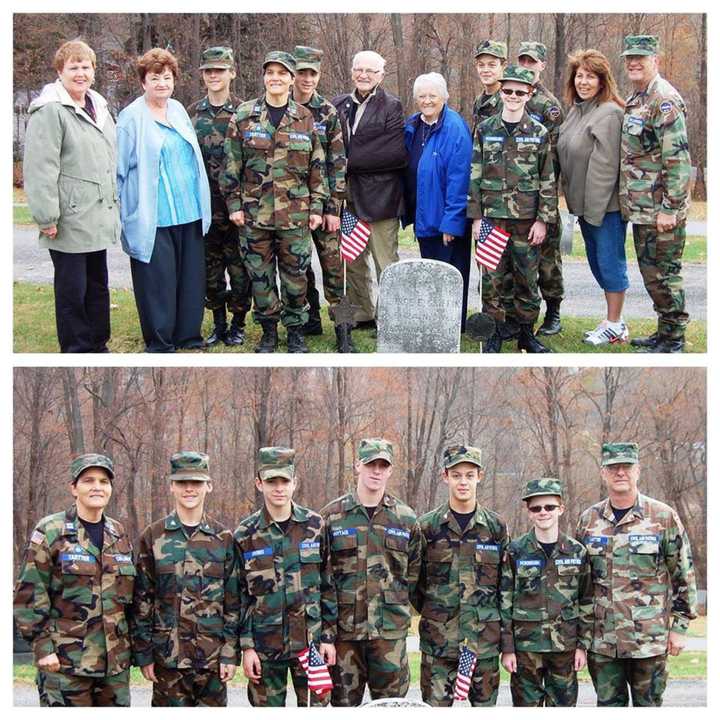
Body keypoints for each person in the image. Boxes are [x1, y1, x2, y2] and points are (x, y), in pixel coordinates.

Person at [221, 51, 328, 353]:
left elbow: (317, 169)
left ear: (292, 79)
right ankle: (269, 332)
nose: (276, 78)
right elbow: (230, 165)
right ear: (264, 77)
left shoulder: (305, 118)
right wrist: (234, 206)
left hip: (295, 216)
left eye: (283, 73)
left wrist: (317, 208)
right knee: (261, 278)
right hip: (254, 217)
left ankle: (296, 332)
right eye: (271, 73)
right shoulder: (244, 115)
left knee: (296, 278)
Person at [576, 442, 697, 706]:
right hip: (604, 642)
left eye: (627, 467)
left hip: (649, 641)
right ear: (603, 473)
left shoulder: (662, 517)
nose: (620, 473)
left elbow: (683, 575)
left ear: (638, 471)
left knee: (649, 707)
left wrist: (680, 627)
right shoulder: (588, 520)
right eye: (613, 467)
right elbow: (580, 584)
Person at [14, 454, 134, 706]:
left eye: (104, 481)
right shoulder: (51, 530)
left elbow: (128, 599)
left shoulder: (119, 534)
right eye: (88, 480)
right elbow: (28, 595)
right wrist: (43, 649)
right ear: (73, 488)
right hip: (66, 664)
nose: (97, 487)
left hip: (114, 669)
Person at [23, 40, 119, 353]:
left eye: (86, 67)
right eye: (73, 67)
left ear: (94, 71)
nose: (81, 73)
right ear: (60, 72)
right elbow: (40, 168)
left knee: (97, 286)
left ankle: (97, 343)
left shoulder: (99, 107)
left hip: (96, 215)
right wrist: (46, 216)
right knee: (71, 290)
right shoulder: (50, 111)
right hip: (68, 218)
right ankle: (76, 347)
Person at [117, 48, 211, 353]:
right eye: (154, 78)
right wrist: (121, 211)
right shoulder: (131, 118)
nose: (161, 83)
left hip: (189, 211)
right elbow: (118, 170)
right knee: (158, 283)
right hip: (153, 216)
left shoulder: (179, 110)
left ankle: (188, 336)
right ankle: (160, 341)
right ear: (143, 81)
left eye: (167, 77)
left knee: (190, 280)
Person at [320, 438, 422, 706]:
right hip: (345, 636)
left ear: (390, 470)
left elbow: (413, 576)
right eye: (370, 464)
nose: (376, 471)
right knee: (343, 707)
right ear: (357, 466)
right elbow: (322, 579)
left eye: (382, 465)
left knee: (390, 709)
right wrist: (327, 635)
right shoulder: (332, 517)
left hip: (389, 637)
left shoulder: (405, 518)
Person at [132, 451, 238, 706]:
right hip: (168, 660)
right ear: (171, 486)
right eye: (182, 482)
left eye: (197, 483)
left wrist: (229, 653)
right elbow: (142, 600)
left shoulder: (223, 538)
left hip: (212, 662)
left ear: (208, 486)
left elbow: (233, 602)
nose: (189, 489)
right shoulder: (153, 536)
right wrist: (144, 654)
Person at [234, 447, 336, 706]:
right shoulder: (245, 534)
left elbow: (328, 585)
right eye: (271, 481)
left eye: (284, 481)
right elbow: (239, 597)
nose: (279, 488)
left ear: (294, 483)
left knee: (315, 709)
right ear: (259, 483)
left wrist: (328, 638)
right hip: (265, 646)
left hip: (309, 643)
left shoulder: (315, 526)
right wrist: (247, 648)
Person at [468, 65, 558, 354]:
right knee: (492, 279)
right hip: (492, 219)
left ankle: (525, 334)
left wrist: (543, 220)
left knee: (527, 280)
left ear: (529, 94)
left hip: (526, 220)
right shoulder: (485, 129)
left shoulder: (539, 132)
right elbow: (475, 175)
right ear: (502, 92)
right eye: (508, 91)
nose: (513, 96)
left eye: (520, 92)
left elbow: (548, 179)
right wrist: (476, 218)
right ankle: (493, 333)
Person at [412, 445, 509, 706]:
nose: (463, 481)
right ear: (445, 477)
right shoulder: (427, 526)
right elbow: (415, 583)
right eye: (456, 475)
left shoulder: (495, 527)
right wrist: (436, 613)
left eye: (469, 474)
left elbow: (504, 585)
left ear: (480, 476)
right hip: (439, 644)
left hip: (483, 643)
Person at [619, 35, 692, 353]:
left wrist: (670, 208)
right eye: (629, 58)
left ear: (655, 61)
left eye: (641, 58)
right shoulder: (638, 99)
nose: (634, 63)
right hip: (643, 208)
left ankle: (674, 338)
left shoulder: (664, 100)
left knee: (665, 274)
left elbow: (677, 159)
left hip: (661, 209)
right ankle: (664, 331)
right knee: (653, 275)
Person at [557, 49, 629, 346]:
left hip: (604, 209)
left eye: (591, 76)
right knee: (597, 264)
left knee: (610, 263)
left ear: (603, 81)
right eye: (580, 76)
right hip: (582, 208)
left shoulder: (609, 113)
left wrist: (594, 211)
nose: (584, 82)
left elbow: (605, 167)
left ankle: (614, 323)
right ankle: (615, 324)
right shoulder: (577, 110)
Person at [500, 478, 592, 706]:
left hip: (565, 648)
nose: (543, 512)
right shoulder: (515, 551)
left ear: (561, 509)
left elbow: (587, 600)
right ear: (529, 512)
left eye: (549, 507)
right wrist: (508, 648)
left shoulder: (577, 551)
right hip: (526, 650)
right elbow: (504, 600)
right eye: (536, 508)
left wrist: (583, 646)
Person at [333, 51, 407, 330]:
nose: (363, 75)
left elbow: (392, 153)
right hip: (347, 197)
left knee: (385, 260)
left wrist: (346, 161)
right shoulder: (338, 104)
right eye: (359, 69)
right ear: (352, 71)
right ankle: (363, 312)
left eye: (370, 71)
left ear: (381, 75)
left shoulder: (391, 106)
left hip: (380, 198)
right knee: (353, 260)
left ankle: (392, 319)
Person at [188, 46, 252, 348]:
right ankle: (218, 324)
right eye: (208, 71)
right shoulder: (191, 113)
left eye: (220, 70)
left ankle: (238, 324)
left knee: (240, 272)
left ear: (232, 73)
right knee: (210, 273)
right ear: (203, 75)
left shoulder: (245, 112)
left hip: (237, 208)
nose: (214, 76)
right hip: (204, 208)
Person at [291, 46, 353, 352]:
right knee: (298, 268)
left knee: (334, 270)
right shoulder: (281, 109)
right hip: (292, 206)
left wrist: (333, 208)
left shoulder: (327, 112)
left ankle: (344, 330)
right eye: (301, 72)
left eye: (311, 73)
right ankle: (309, 317)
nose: (306, 78)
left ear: (319, 75)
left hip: (324, 205)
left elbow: (337, 162)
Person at [403, 73, 473, 332]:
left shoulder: (454, 128)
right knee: (430, 274)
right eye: (422, 96)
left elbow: (460, 179)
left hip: (447, 222)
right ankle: (434, 322)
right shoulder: (413, 126)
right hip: (424, 216)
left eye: (433, 95)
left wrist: (452, 223)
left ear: (445, 97)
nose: (427, 100)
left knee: (451, 275)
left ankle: (452, 325)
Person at [517, 42, 565, 338]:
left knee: (547, 262)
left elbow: (553, 161)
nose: (527, 66)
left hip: (540, 198)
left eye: (532, 62)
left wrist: (544, 208)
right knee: (518, 264)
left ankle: (554, 312)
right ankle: (517, 316)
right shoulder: (507, 95)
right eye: (522, 61)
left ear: (542, 66)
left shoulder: (549, 107)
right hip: (511, 200)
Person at [471, 40, 508, 136]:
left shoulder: (508, 101)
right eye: (481, 65)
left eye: (492, 65)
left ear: (503, 66)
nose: (485, 70)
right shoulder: (479, 101)